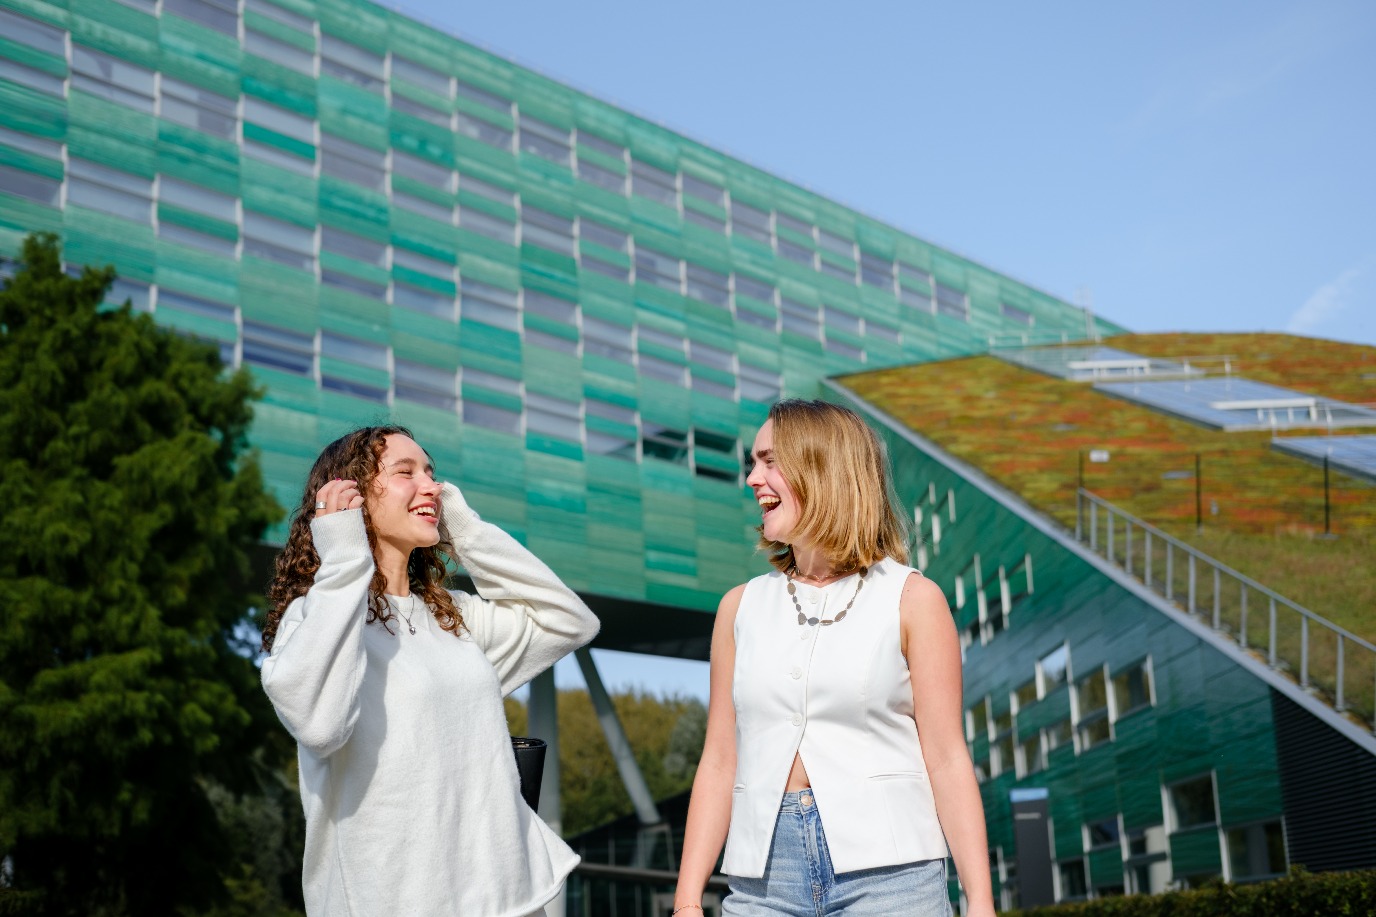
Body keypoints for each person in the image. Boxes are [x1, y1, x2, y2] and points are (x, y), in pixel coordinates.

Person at [673, 400, 996, 917]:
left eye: (770, 461)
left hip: (892, 880)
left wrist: (981, 901)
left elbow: (947, 756)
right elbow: (718, 760)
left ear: (823, 468)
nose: (753, 479)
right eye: (753, 464)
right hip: (763, 882)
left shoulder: (913, 599)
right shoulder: (740, 608)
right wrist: (687, 900)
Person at [260, 425, 599, 917]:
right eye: (406, 472)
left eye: (432, 473)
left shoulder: (452, 615)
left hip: (506, 899)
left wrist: (465, 529)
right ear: (351, 495)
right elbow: (319, 724)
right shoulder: (318, 618)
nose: (432, 486)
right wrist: (343, 559)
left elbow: (569, 622)